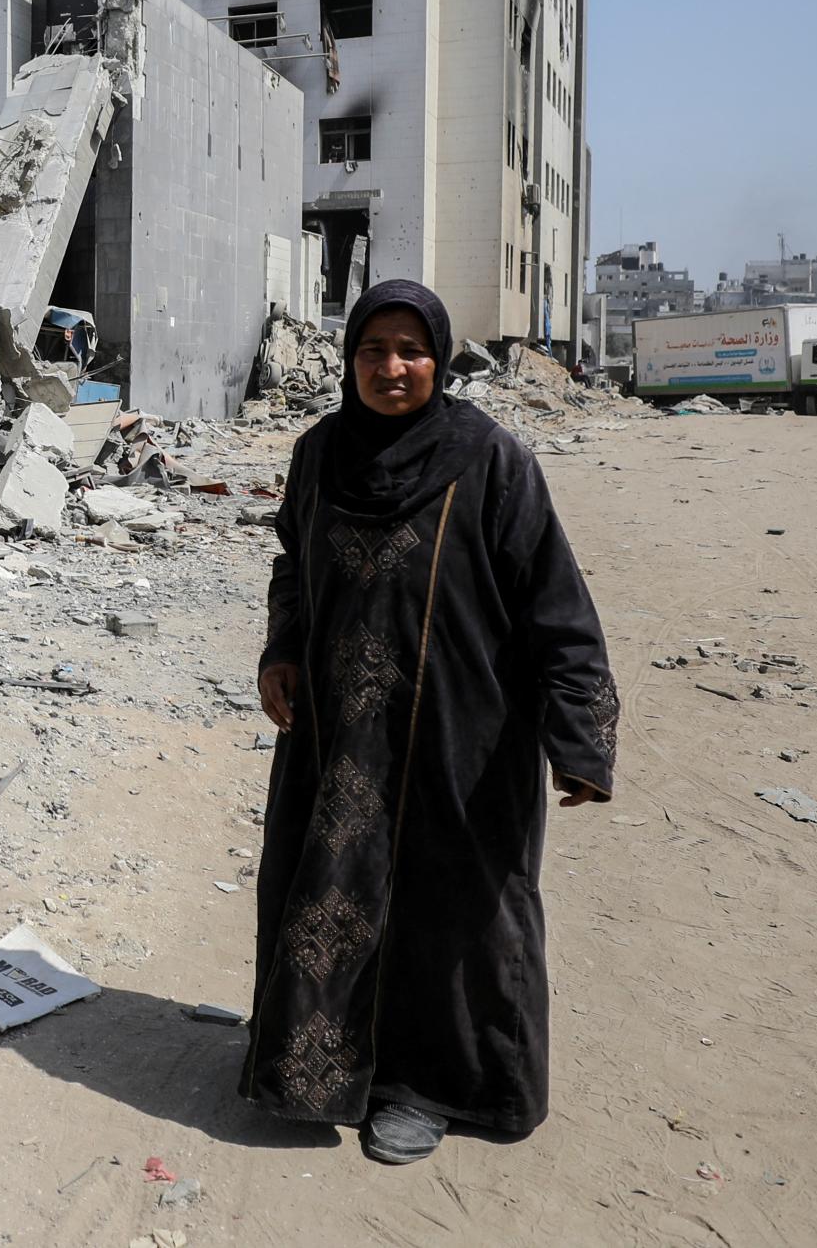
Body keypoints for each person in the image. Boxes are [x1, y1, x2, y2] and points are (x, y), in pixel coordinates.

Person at [244, 280, 619, 1165]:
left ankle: (427, 1088)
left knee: (448, 913)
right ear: (350, 361)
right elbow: (294, 561)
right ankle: (317, 1069)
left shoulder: (491, 461)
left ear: (439, 359)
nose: (392, 367)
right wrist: (281, 648)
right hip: (338, 737)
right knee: (327, 894)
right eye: (373, 350)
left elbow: (555, 604)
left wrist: (579, 736)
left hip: (460, 734)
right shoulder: (319, 452)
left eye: (411, 350)